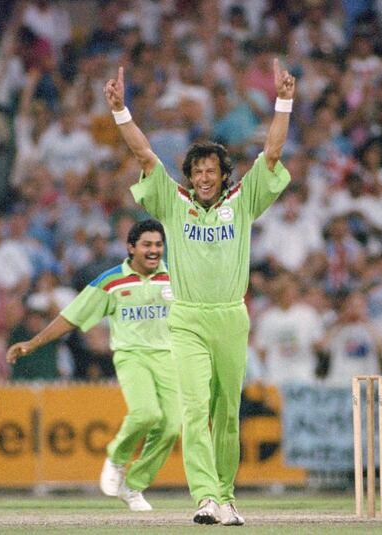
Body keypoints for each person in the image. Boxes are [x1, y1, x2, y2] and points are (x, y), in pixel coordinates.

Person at [104, 59, 295, 525]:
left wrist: (284, 102)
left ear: (224, 175)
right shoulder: (173, 202)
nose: (204, 178)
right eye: (197, 171)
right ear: (189, 176)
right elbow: (146, 157)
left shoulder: (242, 200)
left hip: (231, 316)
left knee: (227, 412)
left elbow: (269, 156)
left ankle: (227, 497)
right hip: (186, 317)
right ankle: (206, 497)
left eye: (212, 171)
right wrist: (120, 112)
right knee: (193, 409)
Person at [6, 219, 180, 512]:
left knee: (172, 426)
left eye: (158, 245)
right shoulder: (111, 280)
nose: (154, 251)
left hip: (168, 357)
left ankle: (133, 485)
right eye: (147, 245)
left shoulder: (175, 278)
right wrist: (33, 343)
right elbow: (72, 316)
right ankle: (116, 458)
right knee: (146, 413)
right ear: (131, 248)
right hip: (132, 355)